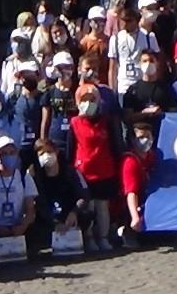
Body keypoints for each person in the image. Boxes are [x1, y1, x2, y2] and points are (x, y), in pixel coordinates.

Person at [70, 82, 121, 251]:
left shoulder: (106, 121)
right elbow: (70, 148)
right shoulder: (75, 123)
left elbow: (115, 144)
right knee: (88, 207)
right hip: (84, 171)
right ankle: (89, 238)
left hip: (105, 170)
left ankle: (104, 237)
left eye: (92, 99)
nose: (88, 103)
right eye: (84, 100)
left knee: (102, 207)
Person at [0, 136, 37, 263]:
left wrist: (22, 226)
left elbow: (30, 209)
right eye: (3, 153)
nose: (8, 156)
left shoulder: (24, 177)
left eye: (12, 153)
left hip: (17, 226)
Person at [30, 138, 90, 254]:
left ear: (56, 152)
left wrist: (74, 212)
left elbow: (84, 195)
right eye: (42, 154)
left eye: (49, 152)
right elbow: (39, 203)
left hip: (71, 215)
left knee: (87, 215)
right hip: (48, 218)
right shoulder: (35, 177)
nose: (46, 156)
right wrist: (55, 223)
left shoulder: (71, 171)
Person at [118, 122, 158, 249]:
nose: (146, 140)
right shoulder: (130, 161)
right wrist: (135, 217)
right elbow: (131, 193)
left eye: (148, 136)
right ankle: (126, 231)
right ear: (132, 139)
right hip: (129, 204)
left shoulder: (152, 156)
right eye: (141, 137)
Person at [108, 4, 161, 96]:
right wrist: (112, 90)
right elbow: (112, 68)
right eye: (123, 21)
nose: (125, 24)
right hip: (123, 86)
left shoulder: (149, 37)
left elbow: (158, 63)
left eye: (129, 21)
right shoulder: (115, 39)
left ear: (136, 21)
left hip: (142, 84)